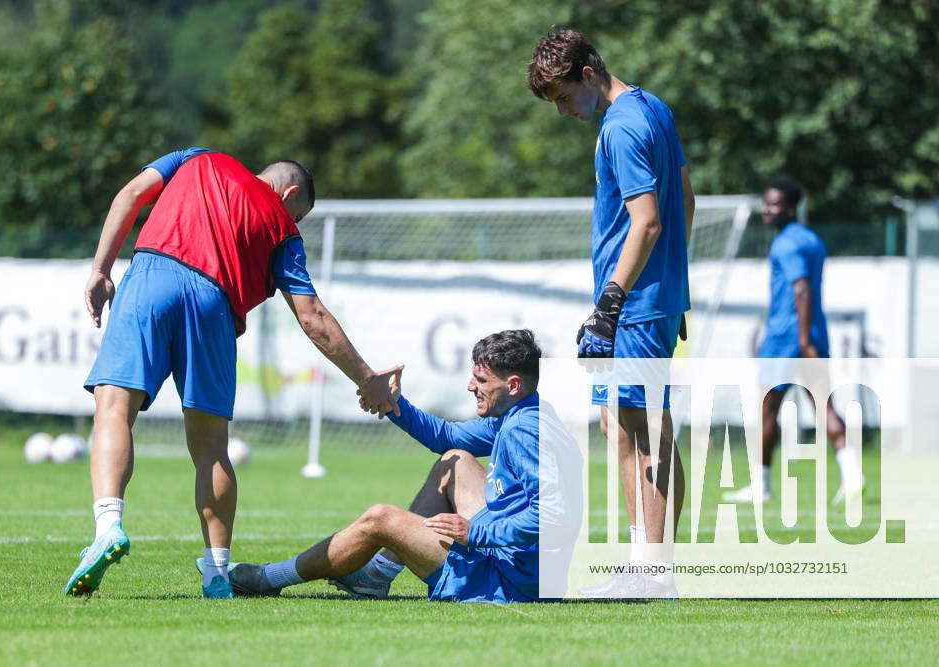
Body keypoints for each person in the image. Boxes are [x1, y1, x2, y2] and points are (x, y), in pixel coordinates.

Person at [64, 147, 400, 599]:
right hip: (214, 308)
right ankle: (217, 570)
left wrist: (101, 269)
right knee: (211, 450)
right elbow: (313, 317)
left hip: (152, 276)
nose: (293, 222)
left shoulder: (197, 158)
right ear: (290, 193)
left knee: (114, 410)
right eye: (297, 215)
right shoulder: (283, 233)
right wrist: (367, 378)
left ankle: (108, 527)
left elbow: (129, 194)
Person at [202, 329, 580, 603]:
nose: (470, 386)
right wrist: (392, 402)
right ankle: (375, 577)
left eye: (481, 380)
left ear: (513, 384)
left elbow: (553, 515)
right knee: (455, 460)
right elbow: (446, 437)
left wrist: (475, 532)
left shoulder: (523, 432)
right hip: (521, 566)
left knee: (380, 518)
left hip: (507, 581)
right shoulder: (521, 415)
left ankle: (269, 578)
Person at [528, 28, 692, 598]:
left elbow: (647, 220)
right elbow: (686, 196)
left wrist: (611, 305)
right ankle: (643, 564)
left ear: (589, 73)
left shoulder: (622, 127)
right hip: (649, 298)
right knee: (621, 428)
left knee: (646, 431)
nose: (564, 112)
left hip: (635, 305)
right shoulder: (652, 108)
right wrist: (675, 282)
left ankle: (653, 572)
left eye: (565, 97)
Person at [724, 178, 862, 504]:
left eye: (773, 205)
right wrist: (809, 339)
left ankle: (761, 485)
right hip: (815, 332)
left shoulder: (785, 243)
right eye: (766, 203)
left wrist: (800, 341)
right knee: (825, 405)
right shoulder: (813, 239)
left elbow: (801, 289)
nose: (766, 211)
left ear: (789, 208)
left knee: (767, 409)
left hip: (788, 338)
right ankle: (852, 473)